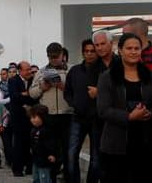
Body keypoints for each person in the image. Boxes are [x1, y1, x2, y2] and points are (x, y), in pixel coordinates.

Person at [97, 33, 152, 183]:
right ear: (120, 50)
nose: (133, 51)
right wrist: (129, 116)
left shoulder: (151, 76)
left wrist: (150, 112)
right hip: (116, 143)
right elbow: (103, 110)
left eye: (137, 48)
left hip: (147, 142)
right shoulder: (107, 77)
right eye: (129, 48)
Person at [30, 42, 72, 182]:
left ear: (62, 55)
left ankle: (68, 177)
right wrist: (42, 87)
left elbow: (77, 92)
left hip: (67, 115)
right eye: (51, 57)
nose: (54, 59)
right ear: (47, 56)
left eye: (56, 56)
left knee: (68, 150)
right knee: (50, 150)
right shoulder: (40, 72)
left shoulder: (71, 70)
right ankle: (51, 178)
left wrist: (62, 86)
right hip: (48, 117)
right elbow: (32, 94)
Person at [64, 39, 101, 183]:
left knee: (96, 157)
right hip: (78, 117)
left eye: (93, 51)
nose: (90, 54)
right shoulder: (74, 71)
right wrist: (74, 104)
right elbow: (67, 92)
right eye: (87, 51)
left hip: (97, 119)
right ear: (83, 53)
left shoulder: (103, 71)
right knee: (72, 153)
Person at [9, 61, 36, 177]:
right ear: (20, 71)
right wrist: (25, 96)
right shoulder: (13, 81)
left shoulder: (33, 80)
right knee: (19, 144)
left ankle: (30, 168)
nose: (29, 71)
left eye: (30, 69)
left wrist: (26, 95)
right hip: (18, 117)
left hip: (31, 117)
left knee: (30, 143)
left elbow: (35, 97)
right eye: (27, 69)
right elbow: (14, 97)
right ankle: (17, 169)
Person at [29, 104, 56, 183]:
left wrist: (52, 154)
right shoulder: (34, 129)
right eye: (31, 118)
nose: (32, 120)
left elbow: (51, 143)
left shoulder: (47, 130)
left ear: (42, 117)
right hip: (36, 159)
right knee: (36, 178)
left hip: (45, 160)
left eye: (34, 117)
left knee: (44, 178)